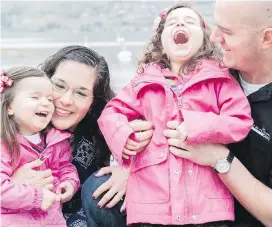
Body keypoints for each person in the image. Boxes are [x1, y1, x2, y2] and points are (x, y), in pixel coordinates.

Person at [97, 3, 253, 227]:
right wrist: (125, 136)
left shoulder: (220, 79)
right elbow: (111, 113)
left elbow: (239, 121)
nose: (180, 23)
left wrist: (198, 125)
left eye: (190, 22)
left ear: (205, 38)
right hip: (150, 209)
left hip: (208, 210)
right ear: (160, 40)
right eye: (171, 23)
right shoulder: (142, 83)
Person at [8, 45, 152, 227]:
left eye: (81, 93)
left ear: (93, 101)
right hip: (19, 217)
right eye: (59, 86)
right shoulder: (15, 123)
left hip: (84, 216)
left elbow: (158, 139)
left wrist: (130, 169)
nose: (66, 100)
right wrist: (13, 184)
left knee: (102, 186)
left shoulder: (105, 124)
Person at [163, 1, 272, 227]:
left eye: (227, 32)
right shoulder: (205, 71)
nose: (213, 37)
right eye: (216, 26)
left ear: (267, 38)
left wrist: (220, 159)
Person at [0, 67, 80, 227]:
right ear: (10, 107)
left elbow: (65, 166)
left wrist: (69, 182)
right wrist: (37, 197)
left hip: (52, 220)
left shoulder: (56, 140)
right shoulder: (5, 144)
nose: (45, 103)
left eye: (50, 99)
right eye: (35, 97)